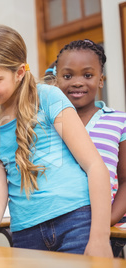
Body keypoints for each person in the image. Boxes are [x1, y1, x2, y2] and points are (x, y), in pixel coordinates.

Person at [0, 24, 112, 257]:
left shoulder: (48, 98)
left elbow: (95, 167)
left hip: (76, 222)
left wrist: (100, 237)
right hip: (26, 233)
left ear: (19, 72)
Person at [55, 39, 126, 257]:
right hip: (59, 225)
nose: (77, 82)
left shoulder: (119, 122)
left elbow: (125, 180)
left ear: (101, 80)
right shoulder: (48, 124)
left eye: (87, 75)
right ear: (56, 80)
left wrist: (108, 219)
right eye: (67, 76)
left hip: (104, 228)